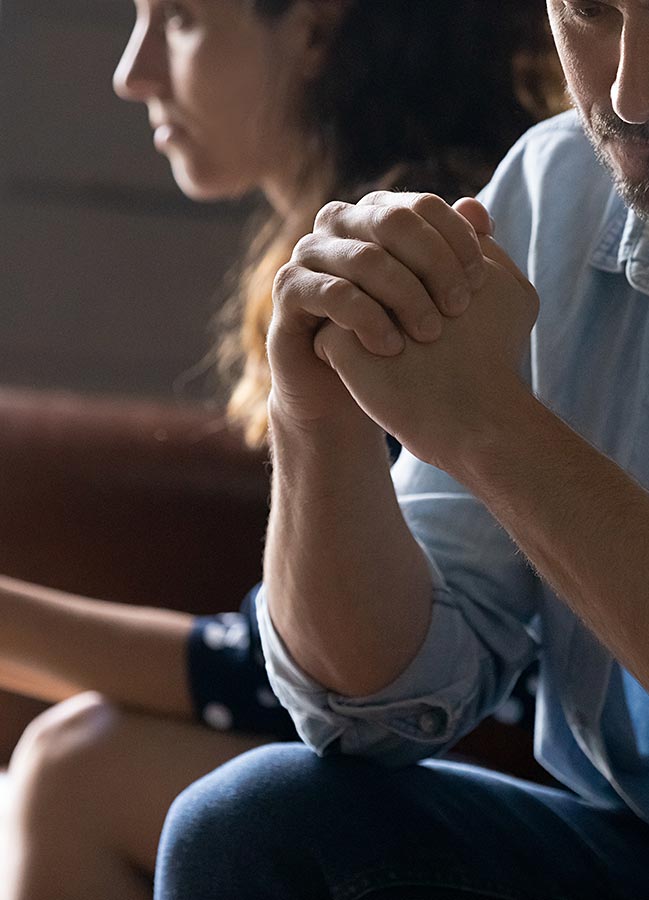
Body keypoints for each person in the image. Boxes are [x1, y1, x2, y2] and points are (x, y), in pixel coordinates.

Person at [152, 1, 649, 899]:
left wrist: (491, 428)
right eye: (589, 10)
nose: (633, 89)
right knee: (251, 822)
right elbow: (369, 707)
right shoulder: (556, 186)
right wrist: (319, 417)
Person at [1, 1, 557, 898]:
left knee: (78, 769)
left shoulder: (420, 253)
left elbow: (299, 676)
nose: (131, 73)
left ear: (314, 28)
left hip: (524, 773)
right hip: (434, 744)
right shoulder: (344, 240)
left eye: (178, 19)